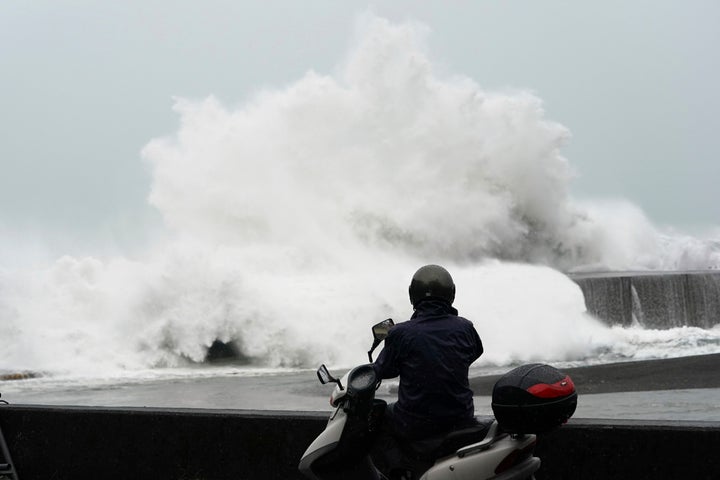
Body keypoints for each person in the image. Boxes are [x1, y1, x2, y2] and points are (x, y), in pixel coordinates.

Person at [372, 264, 484, 477]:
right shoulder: (465, 327)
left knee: (378, 415)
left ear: (412, 296)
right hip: (460, 418)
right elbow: (474, 352)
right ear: (451, 294)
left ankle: (400, 472)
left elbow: (383, 370)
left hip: (416, 423)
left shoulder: (401, 333)